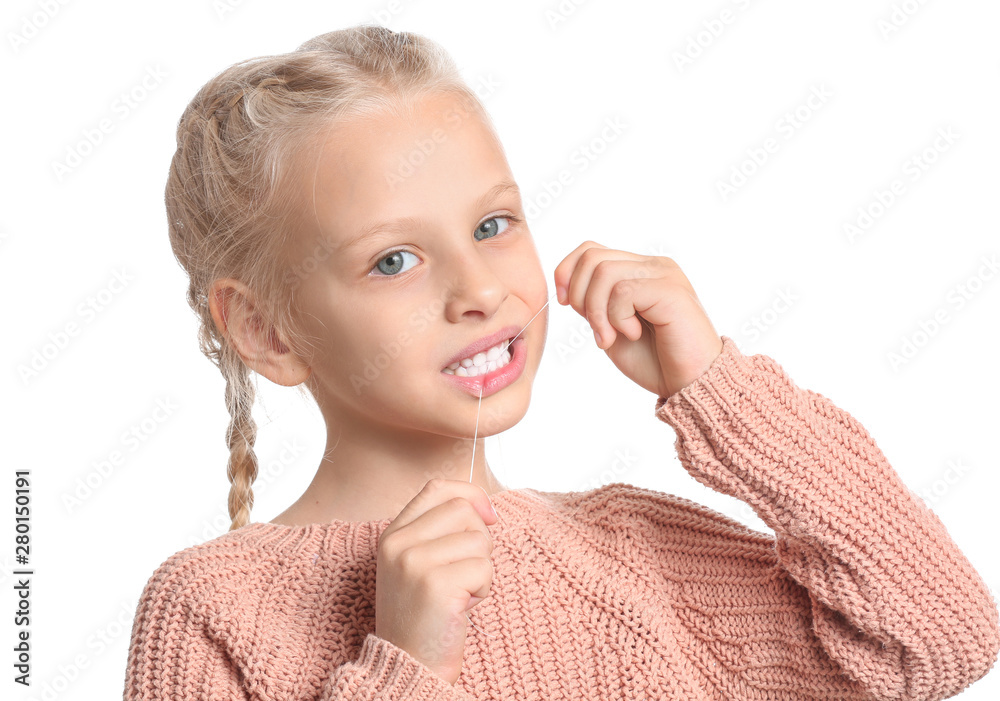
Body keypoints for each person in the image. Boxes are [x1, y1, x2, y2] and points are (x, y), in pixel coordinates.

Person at [123, 24, 999, 700]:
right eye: (394, 259)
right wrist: (406, 665)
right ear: (268, 330)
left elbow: (937, 639)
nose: (479, 289)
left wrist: (719, 390)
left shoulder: (635, 552)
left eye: (492, 225)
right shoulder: (213, 607)